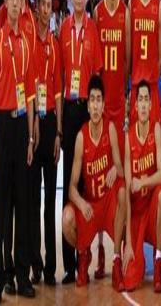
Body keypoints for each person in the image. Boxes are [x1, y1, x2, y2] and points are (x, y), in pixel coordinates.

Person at [0, 0, 36, 304]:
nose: (16, 2)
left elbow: (30, 96)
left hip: (22, 131)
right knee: (1, 209)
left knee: (22, 205)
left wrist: (31, 138)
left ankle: (21, 276)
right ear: (6, 3)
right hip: (4, 127)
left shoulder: (26, 44)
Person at [61, 75, 126, 291]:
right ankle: (84, 254)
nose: (96, 105)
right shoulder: (81, 137)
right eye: (92, 100)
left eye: (99, 100)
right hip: (90, 206)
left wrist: (115, 169)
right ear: (88, 106)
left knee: (124, 196)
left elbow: (121, 168)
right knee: (67, 219)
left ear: (103, 104)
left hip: (107, 204)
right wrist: (81, 203)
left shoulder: (111, 129)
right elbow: (71, 187)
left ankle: (116, 261)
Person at [59, 0, 103, 284]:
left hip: (86, 109)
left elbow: (96, 73)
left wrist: (95, 110)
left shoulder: (92, 29)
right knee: (69, 184)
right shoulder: (63, 29)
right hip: (68, 110)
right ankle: (69, 264)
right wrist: (60, 125)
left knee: (86, 183)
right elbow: (61, 77)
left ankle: (85, 254)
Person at [93, 0, 129, 278]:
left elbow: (127, 60)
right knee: (100, 182)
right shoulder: (98, 12)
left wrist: (126, 100)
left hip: (120, 104)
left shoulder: (126, 12)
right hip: (103, 109)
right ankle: (101, 249)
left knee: (120, 182)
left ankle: (120, 247)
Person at [29, 0, 62, 287]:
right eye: (43, 4)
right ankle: (35, 264)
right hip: (32, 124)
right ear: (37, 8)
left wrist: (59, 132)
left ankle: (51, 266)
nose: (47, 9)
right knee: (31, 202)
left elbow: (59, 92)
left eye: (51, 5)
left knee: (50, 202)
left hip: (50, 123)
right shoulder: (29, 42)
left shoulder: (55, 44)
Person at [123, 80, 161, 292]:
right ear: (135, 105)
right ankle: (135, 256)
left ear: (150, 105)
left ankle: (158, 261)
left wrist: (143, 182)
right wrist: (129, 242)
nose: (142, 104)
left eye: (146, 99)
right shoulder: (128, 138)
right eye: (139, 99)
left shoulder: (156, 129)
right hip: (135, 214)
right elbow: (127, 194)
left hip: (151, 208)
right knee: (130, 281)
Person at [128, 0, 161, 124]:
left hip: (152, 85)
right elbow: (128, 50)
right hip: (136, 84)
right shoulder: (131, 4)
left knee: (154, 138)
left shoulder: (159, 4)